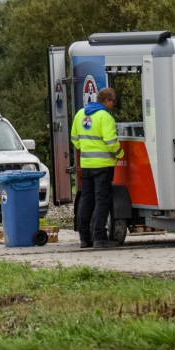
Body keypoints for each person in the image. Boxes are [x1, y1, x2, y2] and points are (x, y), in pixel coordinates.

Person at [72, 86, 122, 248]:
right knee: (102, 200)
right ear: (106, 101)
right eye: (113, 102)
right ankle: (99, 237)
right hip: (103, 166)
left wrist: (86, 148)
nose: (113, 105)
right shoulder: (105, 117)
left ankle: (85, 238)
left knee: (87, 200)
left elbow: (75, 138)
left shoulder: (80, 114)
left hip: (86, 165)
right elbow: (110, 141)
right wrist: (120, 153)